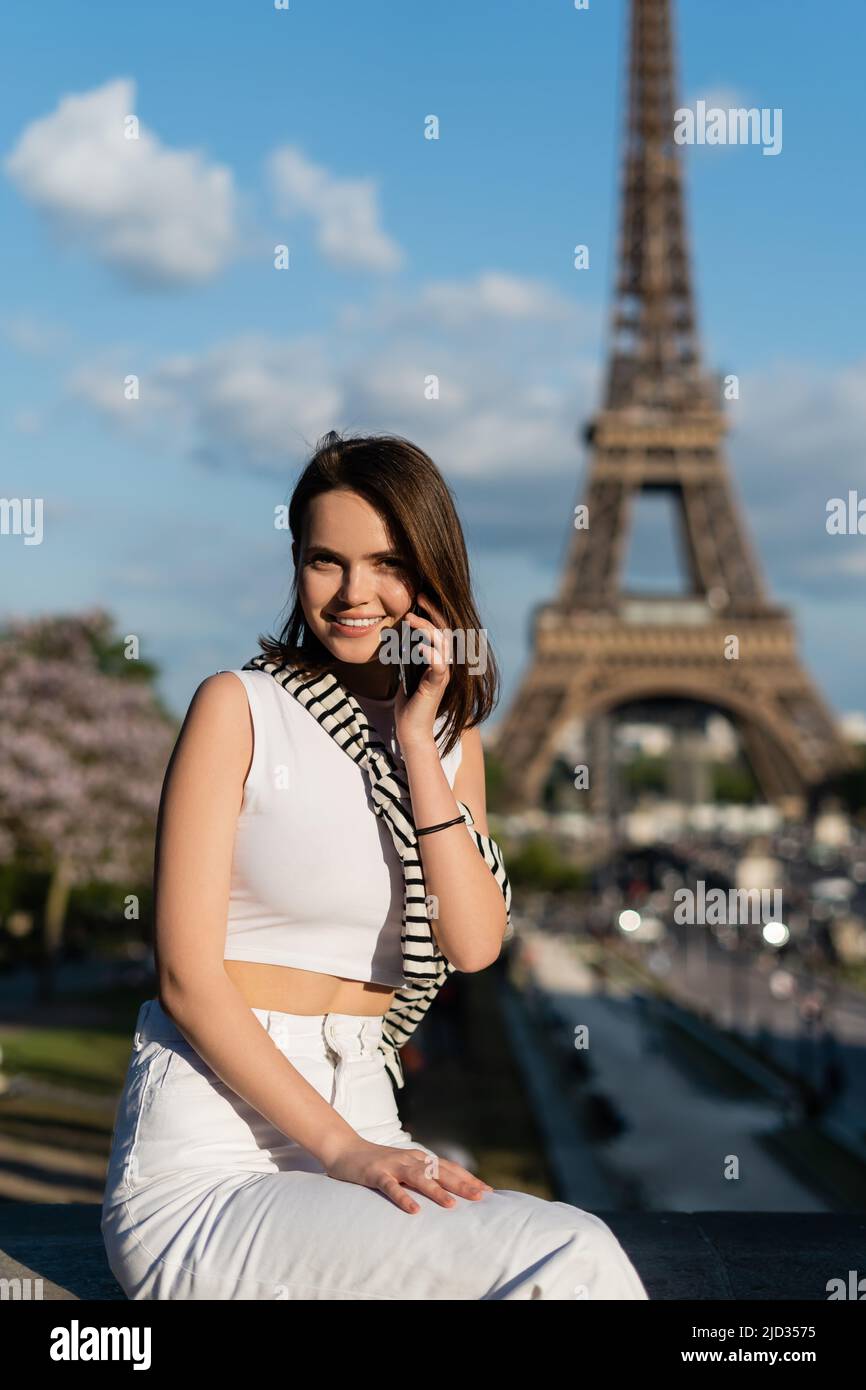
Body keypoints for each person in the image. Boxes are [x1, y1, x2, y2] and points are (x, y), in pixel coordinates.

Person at [100, 431, 649, 1301]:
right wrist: (342, 1151)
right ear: (297, 566)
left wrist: (420, 749)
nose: (354, 594)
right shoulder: (238, 709)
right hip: (211, 1166)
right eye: (326, 561)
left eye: (386, 563)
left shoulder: (446, 739)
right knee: (569, 1254)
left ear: (432, 572)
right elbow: (184, 975)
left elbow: (472, 945)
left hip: (364, 1113)